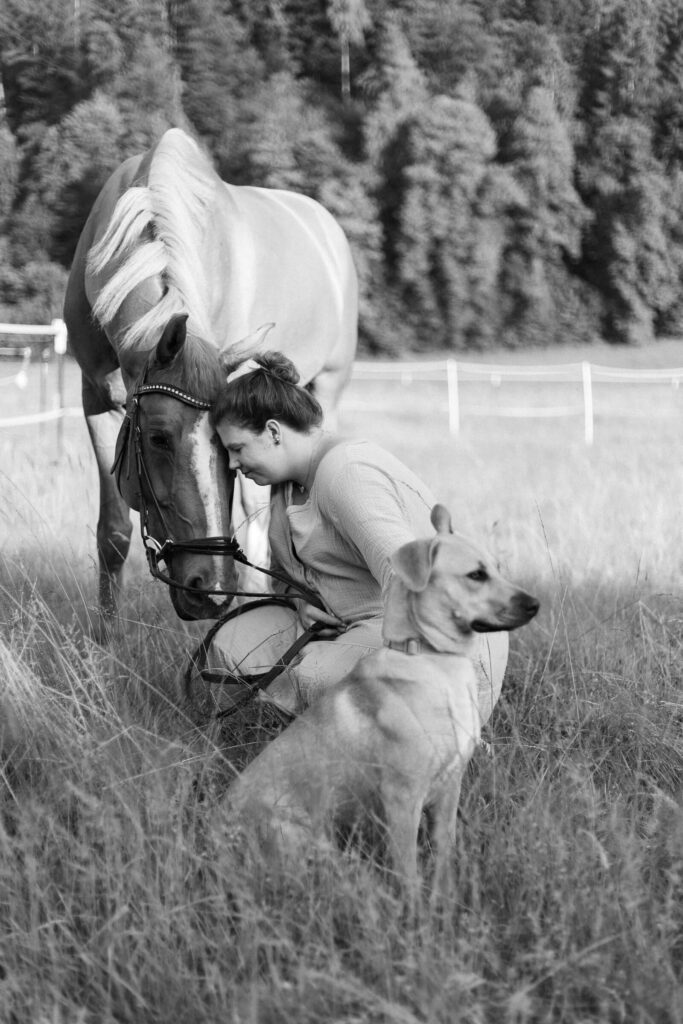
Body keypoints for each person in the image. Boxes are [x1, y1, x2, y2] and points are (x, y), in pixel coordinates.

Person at [199, 351, 508, 721]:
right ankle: (251, 732)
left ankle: (436, 729)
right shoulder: (283, 483)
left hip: (428, 637)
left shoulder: (348, 475)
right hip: (346, 626)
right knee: (228, 647)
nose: (234, 465)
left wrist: (340, 655)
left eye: (237, 449)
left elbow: (410, 582)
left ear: (273, 432)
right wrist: (301, 603)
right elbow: (286, 577)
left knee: (313, 676)